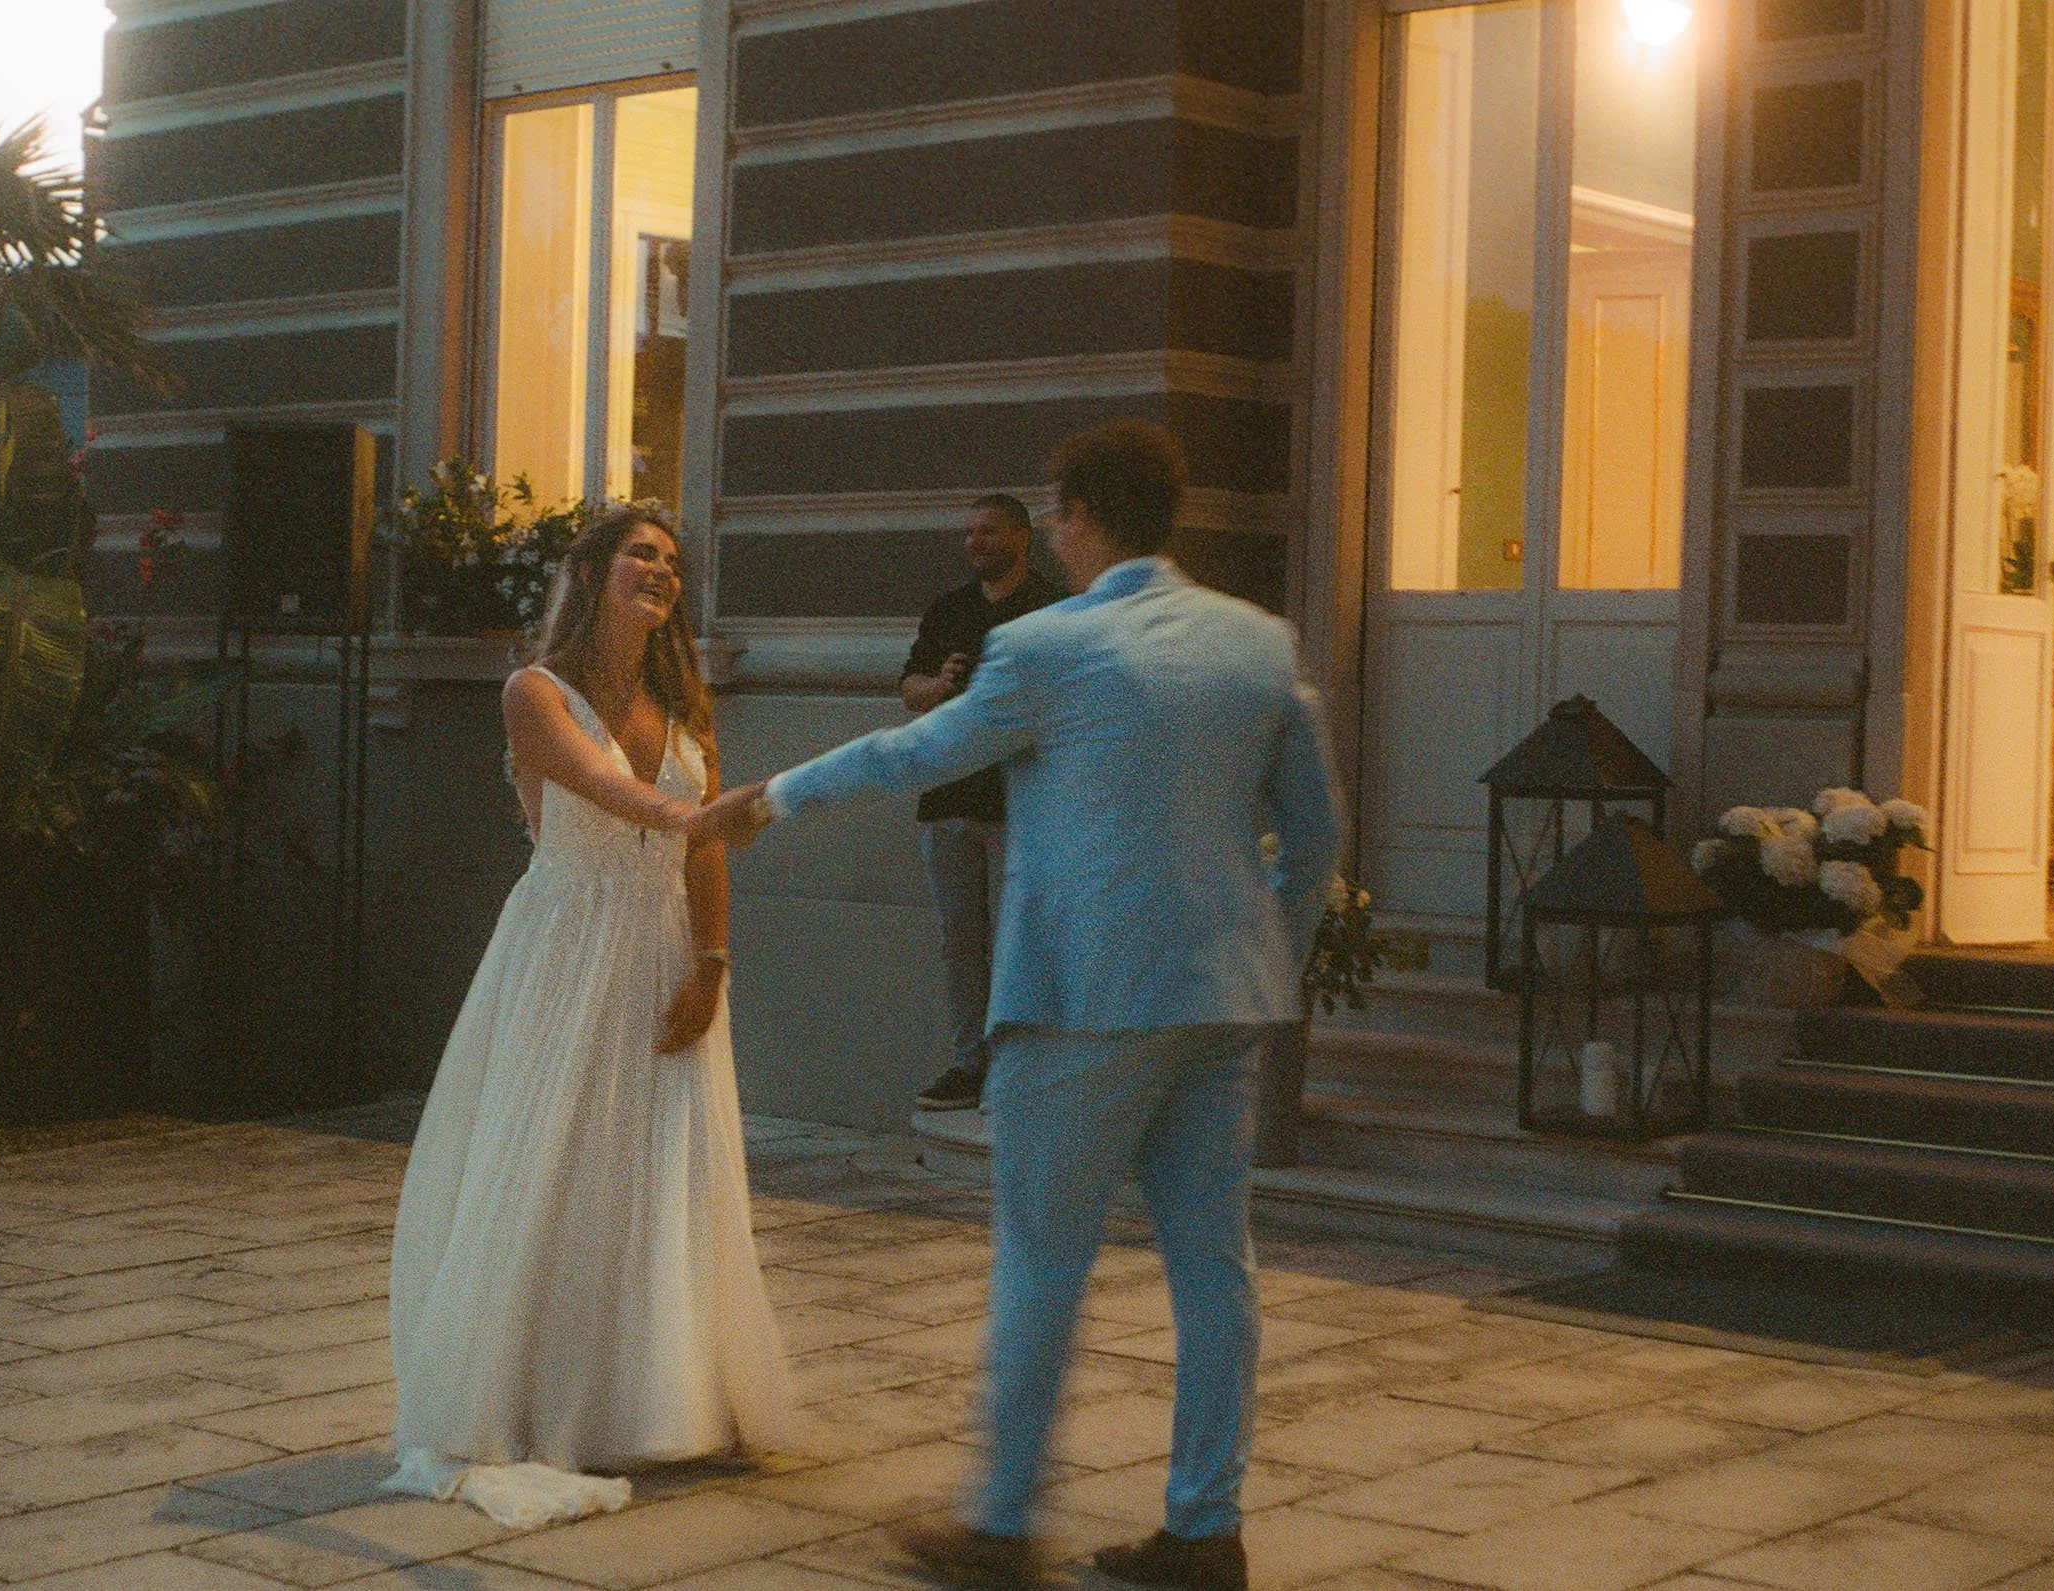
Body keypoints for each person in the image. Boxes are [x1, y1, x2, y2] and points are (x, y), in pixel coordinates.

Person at [695, 421, 1340, 1591]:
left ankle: (999, 1523)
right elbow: (1317, 833)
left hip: (1082, 998)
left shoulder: (1046, 644)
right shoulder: (1258, 641)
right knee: (1216, 1266)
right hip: (1223, 1000)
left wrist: (775, 796)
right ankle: (1207, 1528)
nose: (1050, 527)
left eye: (1056, 511)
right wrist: (1268, 961)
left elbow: (922, 752)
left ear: (1080, 514)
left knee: (1044, 1258)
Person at [385, 505, 792, 1529]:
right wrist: (700, 813)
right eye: (639, 554)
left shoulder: (686, 704)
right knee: (559, 1160)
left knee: (665, 1163)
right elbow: (607, 790)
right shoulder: (534, 691)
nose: (659, 570)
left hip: (663, 947)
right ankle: (538, 1396)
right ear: (594, 570)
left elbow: (701, 853)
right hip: (567, 949)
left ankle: (665, 1398)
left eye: (671, 561)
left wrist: (712, 963)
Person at [902, 495, 1062, 1113]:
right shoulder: (950, 611)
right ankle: (973, 1064)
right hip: (950, 796)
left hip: (1024, 803)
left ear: (1022, 538)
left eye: (989, 532)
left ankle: (1026, 1064)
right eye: (969, 533)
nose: (975, 543)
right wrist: (937, 688)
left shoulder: (1051, 610)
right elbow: (910, 688)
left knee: (1026, 938)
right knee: (961, 942)